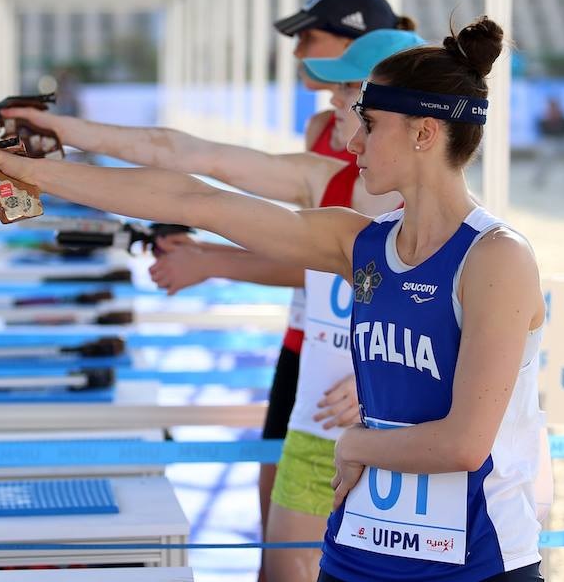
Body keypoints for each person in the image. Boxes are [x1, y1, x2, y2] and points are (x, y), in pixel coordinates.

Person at [0, 15, 546, 582]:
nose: (351, 138)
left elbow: (465, 444)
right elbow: (192, 198)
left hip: (474, 561)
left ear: (424, 132)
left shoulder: (496, 257)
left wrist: (356, 442)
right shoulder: (359, 240)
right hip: (360, 549)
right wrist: (31, 174)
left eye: (369, 123)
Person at [0, 0, 413, 581]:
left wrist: (383, 367)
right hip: (325, 390)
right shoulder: (328, 174)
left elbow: (460, 323)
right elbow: (187, 172)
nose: (336, 106)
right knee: (286, 558)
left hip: (378, 410)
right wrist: (44, 153)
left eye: (352, 92)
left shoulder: (474, 237)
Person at [149, 29, 424, 582]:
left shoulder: (444, 213)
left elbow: (437, 306)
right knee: (283, 536)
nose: (301, 54)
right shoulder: (331, 145)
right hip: (317, 362)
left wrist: (212, 260)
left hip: (361, 389)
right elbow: (201, 180)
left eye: (347, 83)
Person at [530, 97, 564, 187]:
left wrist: (558, 122)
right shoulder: (543, 120)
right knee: (544, 154)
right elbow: (543, 134)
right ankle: (539, 180)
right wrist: (550, 121)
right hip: (550, 142)